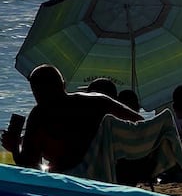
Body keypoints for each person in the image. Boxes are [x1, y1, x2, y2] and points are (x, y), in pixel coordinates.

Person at [0, 64, 141, 173]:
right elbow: (140, 123)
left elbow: (30, 168)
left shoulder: (40, 114)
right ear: (64, 85)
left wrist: (14, 148)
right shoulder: (98, 102)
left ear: (36, 93)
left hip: (70, 180)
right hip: (112, 172)